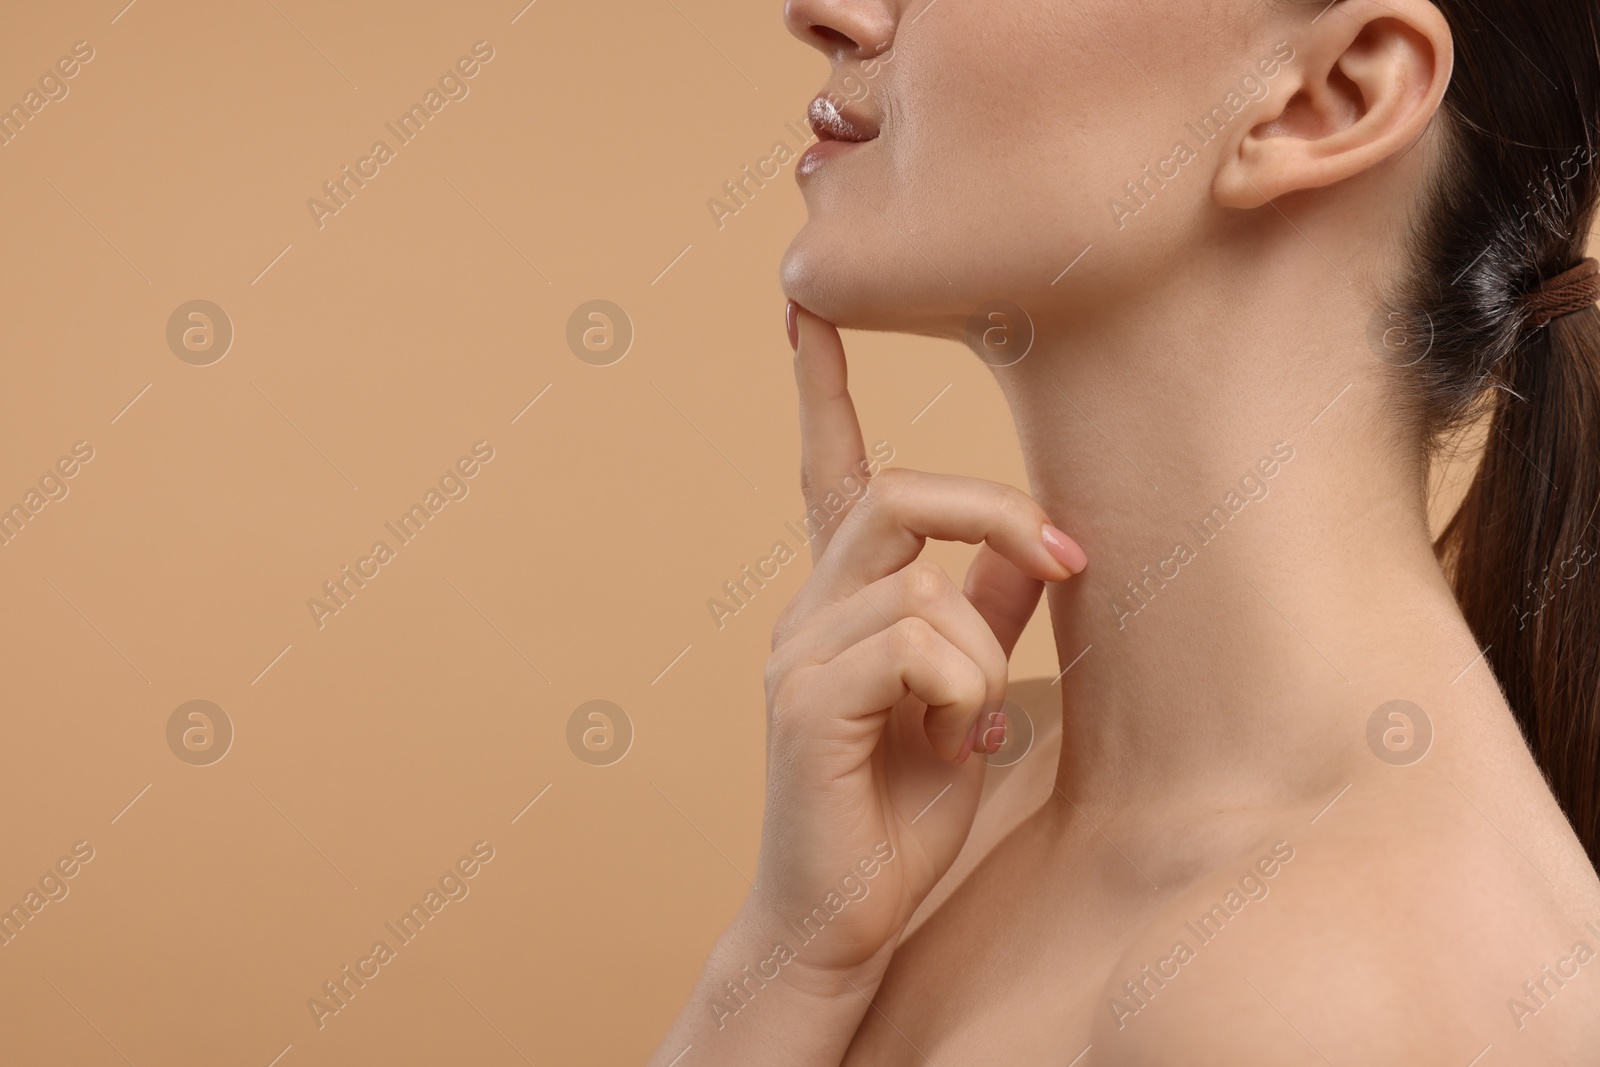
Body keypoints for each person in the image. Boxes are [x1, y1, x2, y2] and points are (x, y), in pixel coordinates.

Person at [653, 0, 1600, 1061]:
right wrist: (781, 969)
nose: (826, 12)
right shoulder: (960, 801)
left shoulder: (1347, 989)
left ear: (1329, 96)